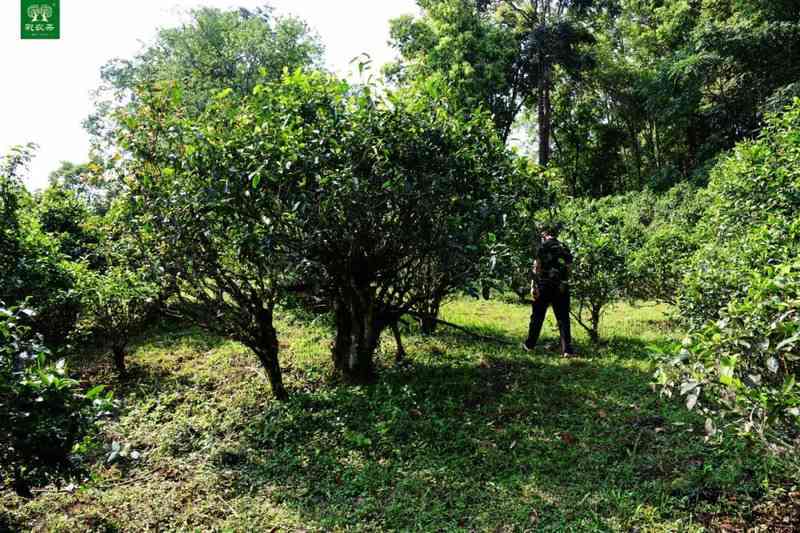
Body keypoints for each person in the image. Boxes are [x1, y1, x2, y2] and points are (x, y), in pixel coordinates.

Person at [522, 224, 577, 356]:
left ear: (544, 234)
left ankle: (530, 345)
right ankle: (567, 350)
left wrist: (533, 286)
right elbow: (569, 269)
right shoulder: (564, 247)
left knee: (537, 316)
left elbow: (537, 267)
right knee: (563, 318)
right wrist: (564, 281)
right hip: (561, 286)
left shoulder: (542, 247)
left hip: (544, 285)